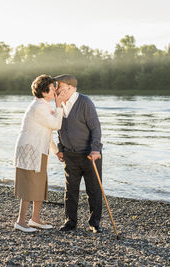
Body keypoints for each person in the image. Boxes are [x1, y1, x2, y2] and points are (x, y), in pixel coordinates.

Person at [13, 74, 67, 232]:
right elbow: (56, 125)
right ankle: (21, 221)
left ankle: (35, 219)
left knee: (39, 183)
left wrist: (56, 152)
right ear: (44, 92)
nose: (55, 91)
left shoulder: (43, 106)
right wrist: (58, 105)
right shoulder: (39, 107)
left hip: (39, 150)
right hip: (31, 151)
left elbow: (47, 132)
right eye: (52, 88)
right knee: (29, 184)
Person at [54, 74, 103, 234]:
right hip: (70, 155)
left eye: (59, 86)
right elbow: (59, 128)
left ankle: (94, 223)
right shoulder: (59, 105)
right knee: (71, 190)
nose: (56, 89)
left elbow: (95, 127)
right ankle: (70, 222)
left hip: (89, 155)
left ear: (69, 87)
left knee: (94, 190)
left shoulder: (85, 102)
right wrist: (60, 148)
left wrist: (96, 148)